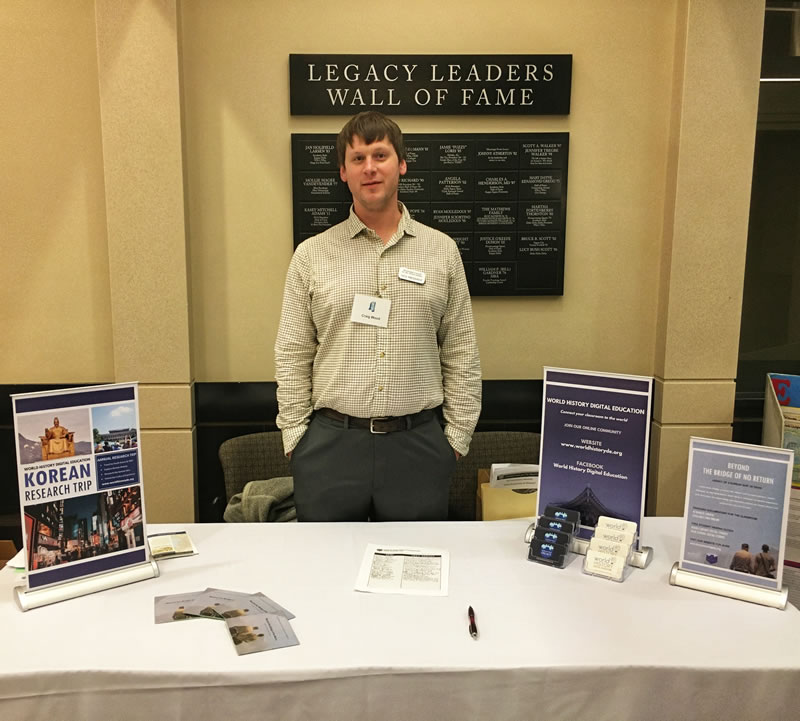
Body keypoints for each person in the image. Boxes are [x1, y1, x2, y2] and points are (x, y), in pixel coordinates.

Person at [275, 111, 481, 522]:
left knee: (413, 575)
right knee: (325, 573)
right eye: (358, 158)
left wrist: (455, 437)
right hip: (330, 446)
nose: (370, 167)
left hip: (418, 446)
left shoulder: (441, 252)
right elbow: (292, 351)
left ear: (401, 164)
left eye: (381, 155)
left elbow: (461, 350)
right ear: (343, 172)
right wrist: (297, 436)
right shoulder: (311, 256)